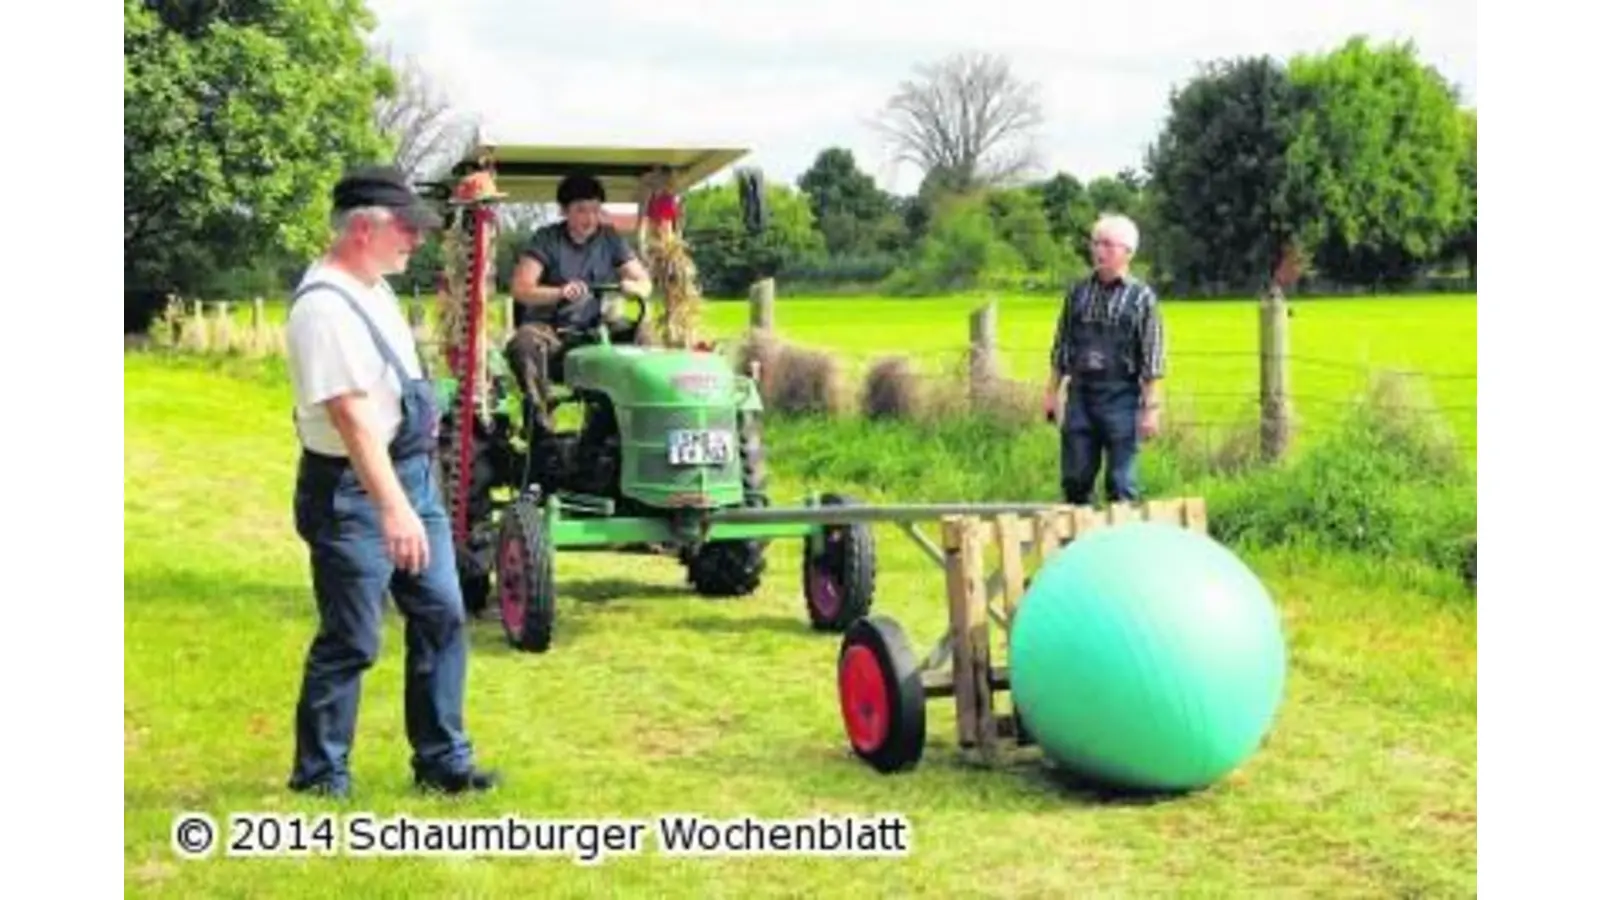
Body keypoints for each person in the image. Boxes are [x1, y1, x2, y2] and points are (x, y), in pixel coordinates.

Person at [283, 164, 498, 798]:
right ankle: (321, 779)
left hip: (408, 477)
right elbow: (352, 421)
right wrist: (395, 511)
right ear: (362, 230)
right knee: (352, 637)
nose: (416, 239)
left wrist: (415, 493)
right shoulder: (324, 307)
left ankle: (443, 765)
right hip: (355, 491)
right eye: (405, 228)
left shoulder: (372, 286)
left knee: (441, 615)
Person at [506, 172, 653, 431]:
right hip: (552, 331)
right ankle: (539, 420)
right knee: (524, 342)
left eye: (596, 210)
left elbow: (645, 283)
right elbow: (521, 288)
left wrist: (632, 287)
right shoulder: (547, 239)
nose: (590, 219)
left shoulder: (609, 238)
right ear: (564, 211)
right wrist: (559, 292)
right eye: (582, 210)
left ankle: (636, 417)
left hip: (597, 330)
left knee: (643, 334)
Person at [1044, 213, 1166, 506]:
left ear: (1128, 252)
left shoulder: (1142, 299)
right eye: (1096, 243)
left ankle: (1120, 547)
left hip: (1122, 398)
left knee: (1120, 484)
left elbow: (1152, 358)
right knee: (1075, 479)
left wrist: (1151, 410)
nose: (1099, 251)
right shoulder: (1078, 293)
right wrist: (1051, 393)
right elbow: (1062, 346)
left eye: (1108, 245)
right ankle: (1077, 547)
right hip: (1081, 397)